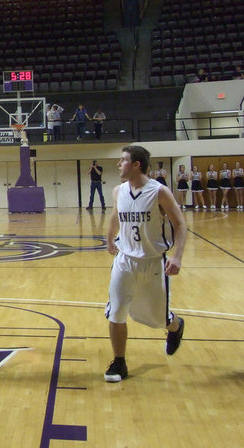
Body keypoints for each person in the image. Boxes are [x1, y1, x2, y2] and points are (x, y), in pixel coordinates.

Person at [104, 145, 186, 383]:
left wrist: (177, 255)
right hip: (124, 260)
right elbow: (115, 215)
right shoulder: (119, 191)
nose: (119, 164)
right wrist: (110, 238)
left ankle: (176, 325)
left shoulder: (159, 192)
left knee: (158, 318)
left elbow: (180, 225)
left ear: (136, 164)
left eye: (123, 160)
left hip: (152, 262)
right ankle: (119, 361)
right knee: (116, 312)